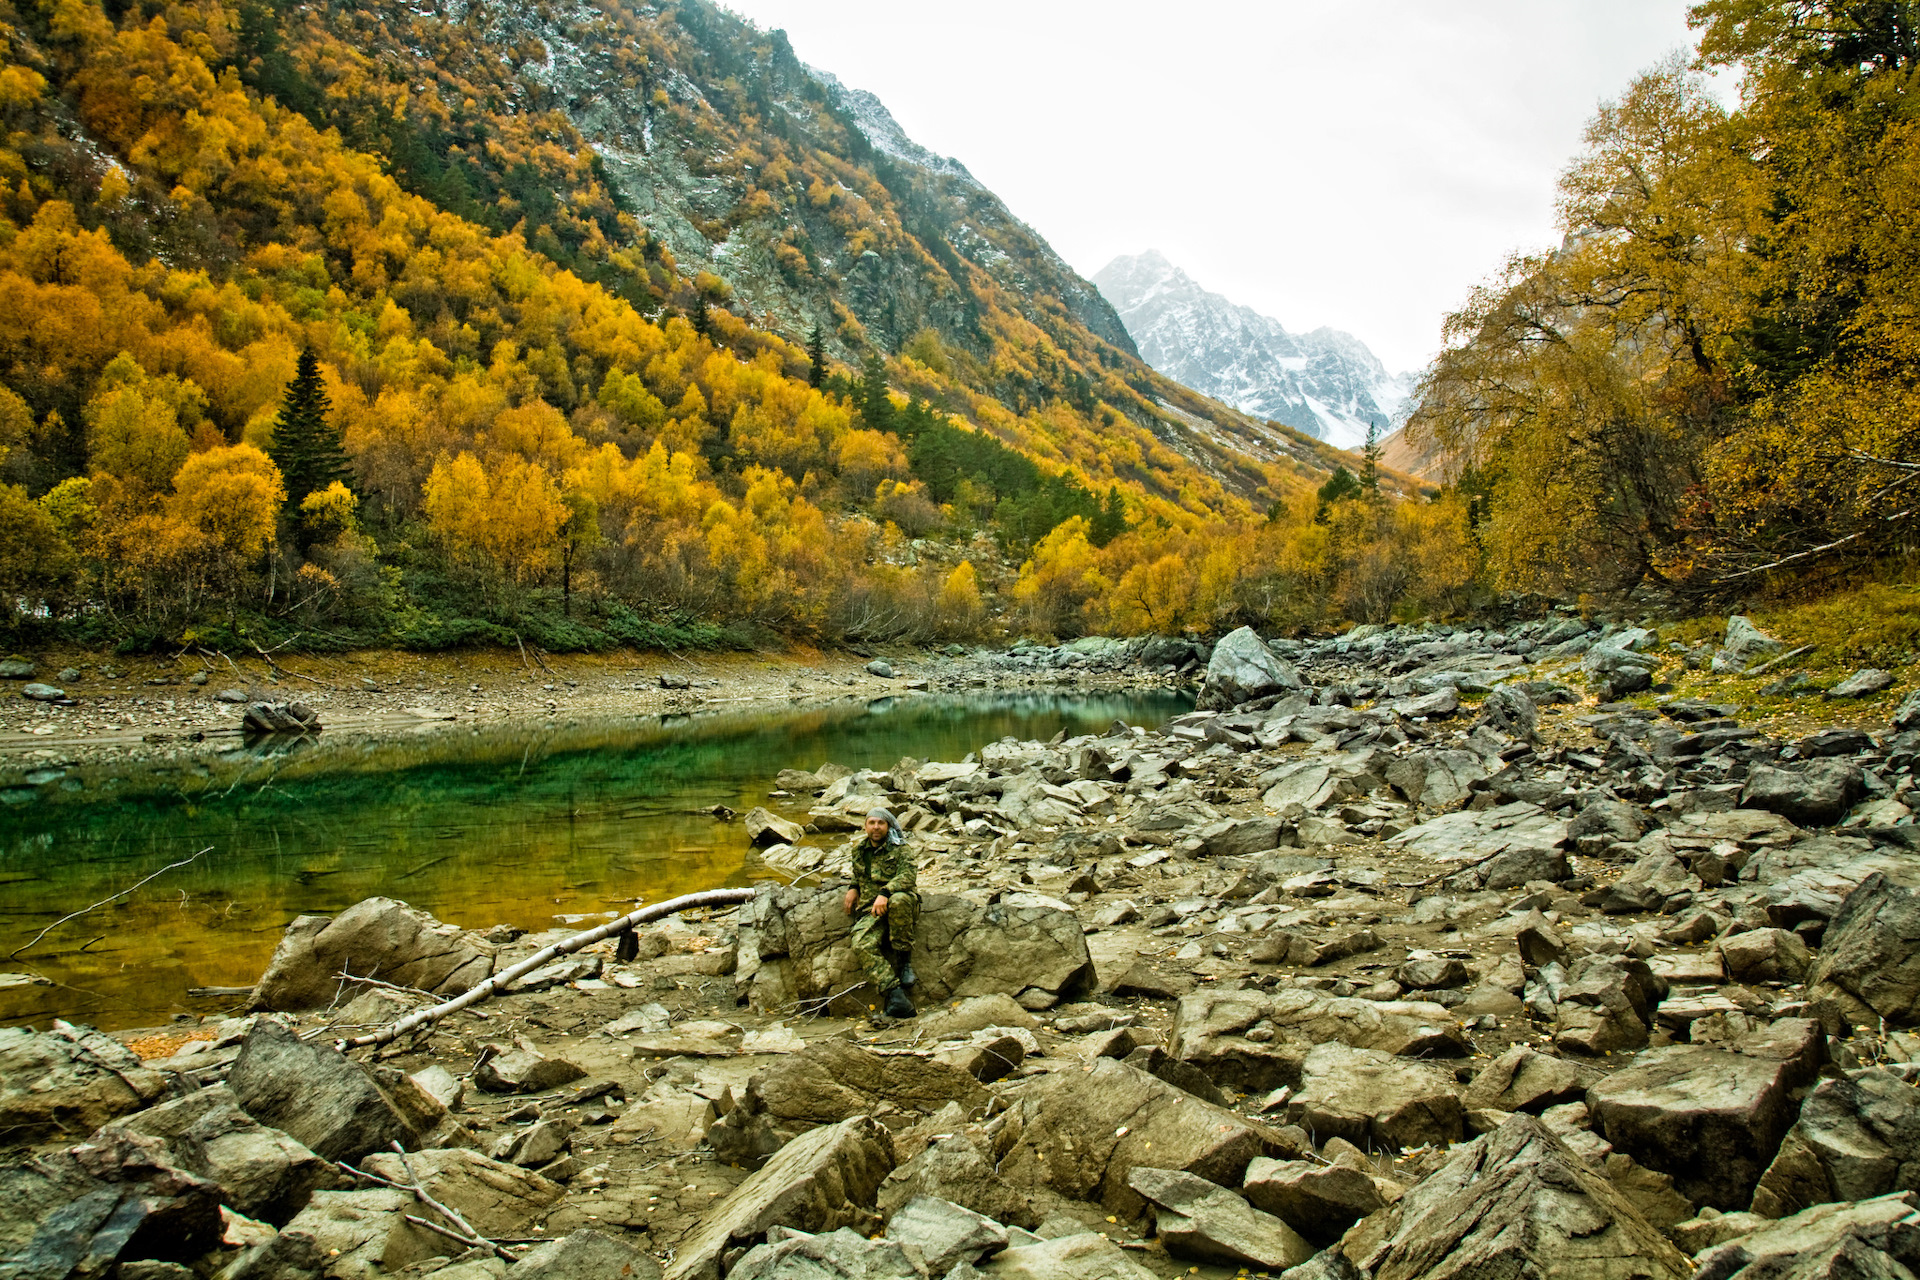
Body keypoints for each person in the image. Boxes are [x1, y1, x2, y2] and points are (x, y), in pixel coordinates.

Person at [843, 806, 918, 1018]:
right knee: (861, 944)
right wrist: (853, 888)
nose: (876, 827)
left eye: (881, 823)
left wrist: (886, 892)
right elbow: (859, 875)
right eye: (872, 823)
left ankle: (904, 962)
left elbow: (907, 877)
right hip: (871, 909)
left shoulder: (902, 849)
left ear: (888, 826)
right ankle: (896, 996)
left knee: (899, 899)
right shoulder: (859, 850)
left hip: (900, 905)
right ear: (866, 826)